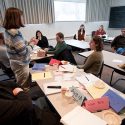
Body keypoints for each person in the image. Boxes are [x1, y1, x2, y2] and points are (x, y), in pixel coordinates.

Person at [3, 7, 38, 88]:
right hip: (21, 64)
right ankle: (24, 100)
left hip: (15, 62)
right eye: (21, 16)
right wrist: (32, 44)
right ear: (16, 18)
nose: (22, 18)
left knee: (20, 83)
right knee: (23, 87)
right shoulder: (15, 34)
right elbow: (24, 52)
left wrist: (28, 42)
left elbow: (17, 45)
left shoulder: (7, 31)